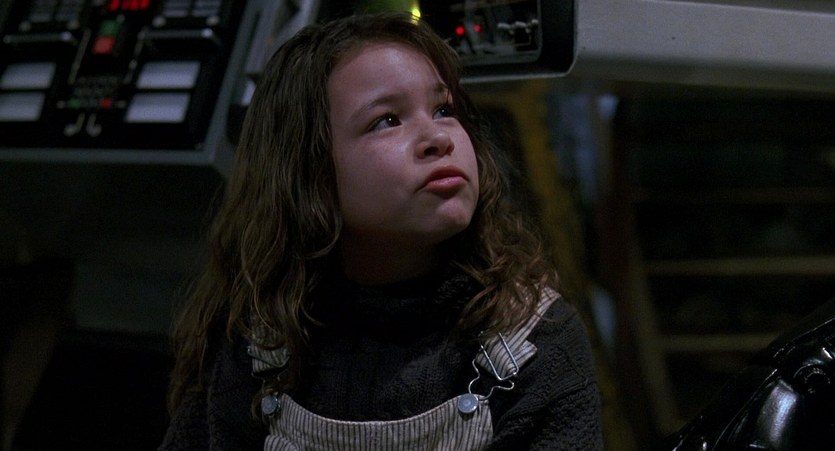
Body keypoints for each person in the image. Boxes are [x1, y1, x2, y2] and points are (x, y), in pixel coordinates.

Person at [160, 11, 602, 451]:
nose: (438, 138)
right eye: (387, 120)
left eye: (444, 110)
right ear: (309, 173)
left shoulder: (535, 343)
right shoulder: (258, 343)